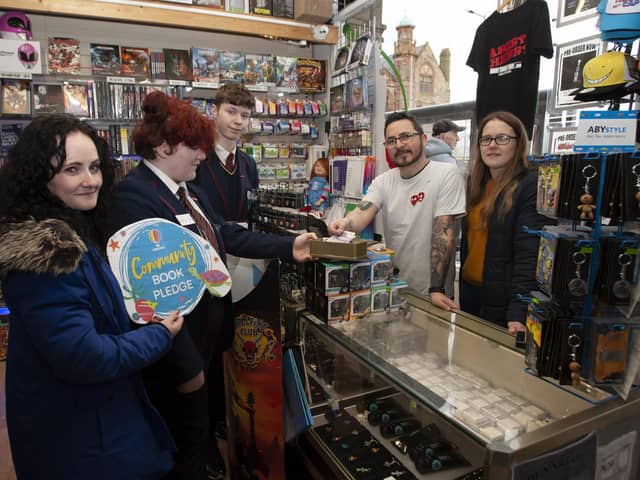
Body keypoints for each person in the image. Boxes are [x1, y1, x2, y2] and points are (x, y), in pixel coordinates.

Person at [104, 91, 315, 480]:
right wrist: (187, 369)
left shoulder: (187, 190)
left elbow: (225, 235)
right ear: (163, 146)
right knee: (182, 440)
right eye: (194, 147)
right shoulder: (134, 199)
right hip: (177, 355)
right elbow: (153, 297)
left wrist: (290, 245)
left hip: (205, 341)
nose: (203, 155)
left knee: (197, 434)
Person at [0, 114, 184, 479]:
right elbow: (85, 357)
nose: (91, 181)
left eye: (95, 167)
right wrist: (159, 335)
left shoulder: (74, 230)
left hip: (90, 421)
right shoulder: (49, 254)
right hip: (80, 436)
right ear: (41, 177)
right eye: (73, 169)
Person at [328, 111, 466, 310]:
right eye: (391, 140)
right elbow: (362, 211)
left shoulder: (446, 174)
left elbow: (444, 233)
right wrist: (345, 224)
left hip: (434, 295)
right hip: (396, 288)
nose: (399, 144)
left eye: (406, 136)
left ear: (423, 139)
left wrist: (436, 289)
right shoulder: (384, 181)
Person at [460, 111, 547, 335]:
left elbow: (530, 254)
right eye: (486, 139)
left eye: (502, 138)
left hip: (504, 301)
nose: (492, 145)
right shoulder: (477, 184)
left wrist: (519, 310)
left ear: (518, 143)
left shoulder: (529, 185)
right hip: (471, 293)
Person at [193, 82, 258, 223]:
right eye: (231, 112)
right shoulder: (195, 159)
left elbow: (253, 209)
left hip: (245, 243)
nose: (238, 121)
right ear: (214, 111)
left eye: (245, 115)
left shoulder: (249, 164)